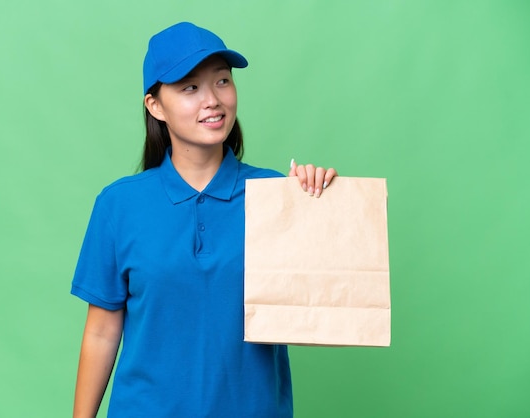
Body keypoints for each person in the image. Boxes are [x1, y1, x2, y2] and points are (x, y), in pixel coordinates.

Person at [71, 22, 337, 418]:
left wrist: (316, 202)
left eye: (222, 81)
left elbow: (323, 298)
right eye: (190, 87)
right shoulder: (119, 205)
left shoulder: (276, 194)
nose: (213, 99)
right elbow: (101, 331)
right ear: (155, 105)